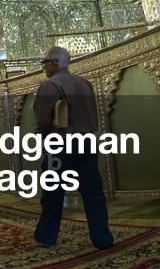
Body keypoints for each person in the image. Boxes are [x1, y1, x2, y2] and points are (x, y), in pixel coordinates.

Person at [33, 46, 113, 251]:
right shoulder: (84, 83)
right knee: (92, 192)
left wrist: (44, 136)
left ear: (54, 63)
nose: (44, 67)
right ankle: (102, 238)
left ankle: (47, 236)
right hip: (86, 142)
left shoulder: (49, 85)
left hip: (60, 144)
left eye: (45, 63)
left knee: (53, 193)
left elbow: (43, 119)